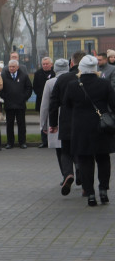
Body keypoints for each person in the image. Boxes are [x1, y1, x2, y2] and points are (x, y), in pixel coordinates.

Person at [62, 54, 115, 206]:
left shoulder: (73, 85)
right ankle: (103, 190)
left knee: (85, 161)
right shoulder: (104, 84)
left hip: (81, 129)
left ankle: (90, 194)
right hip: (102, 127)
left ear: (81, 68)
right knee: (103, 159)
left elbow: (67, 105)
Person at [49, 51, 85, 194]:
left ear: (71, 62)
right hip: (84, 120)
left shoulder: (63, 79)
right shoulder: (90, 78)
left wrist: (53, 124)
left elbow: (53, 103)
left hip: (66, 119)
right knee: (84, 151)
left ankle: (68, 173)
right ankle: (84, 181)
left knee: (66, 150)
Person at [40, 59, 75, 195]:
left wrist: (43, 123)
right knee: (74, 148)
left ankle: (65, 175)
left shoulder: (50, 82)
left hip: (56, 119)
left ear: (54, 69)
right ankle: (78, 172)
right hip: (72, 118)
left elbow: (45, 105)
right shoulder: (74, 79)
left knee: (61, 151)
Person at [1, 58, 33, 149]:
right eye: (10, 66)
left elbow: (29, 88)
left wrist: (24, 98)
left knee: (21, 124)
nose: (11, 68)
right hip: (9, 105)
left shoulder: (24, 76)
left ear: (17, 67)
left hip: (20, 105)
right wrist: (5, 97)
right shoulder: (3, 76)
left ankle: (22, 142)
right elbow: (0, 89)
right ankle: (10, 143)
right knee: (9, 125)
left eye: (13, 66)